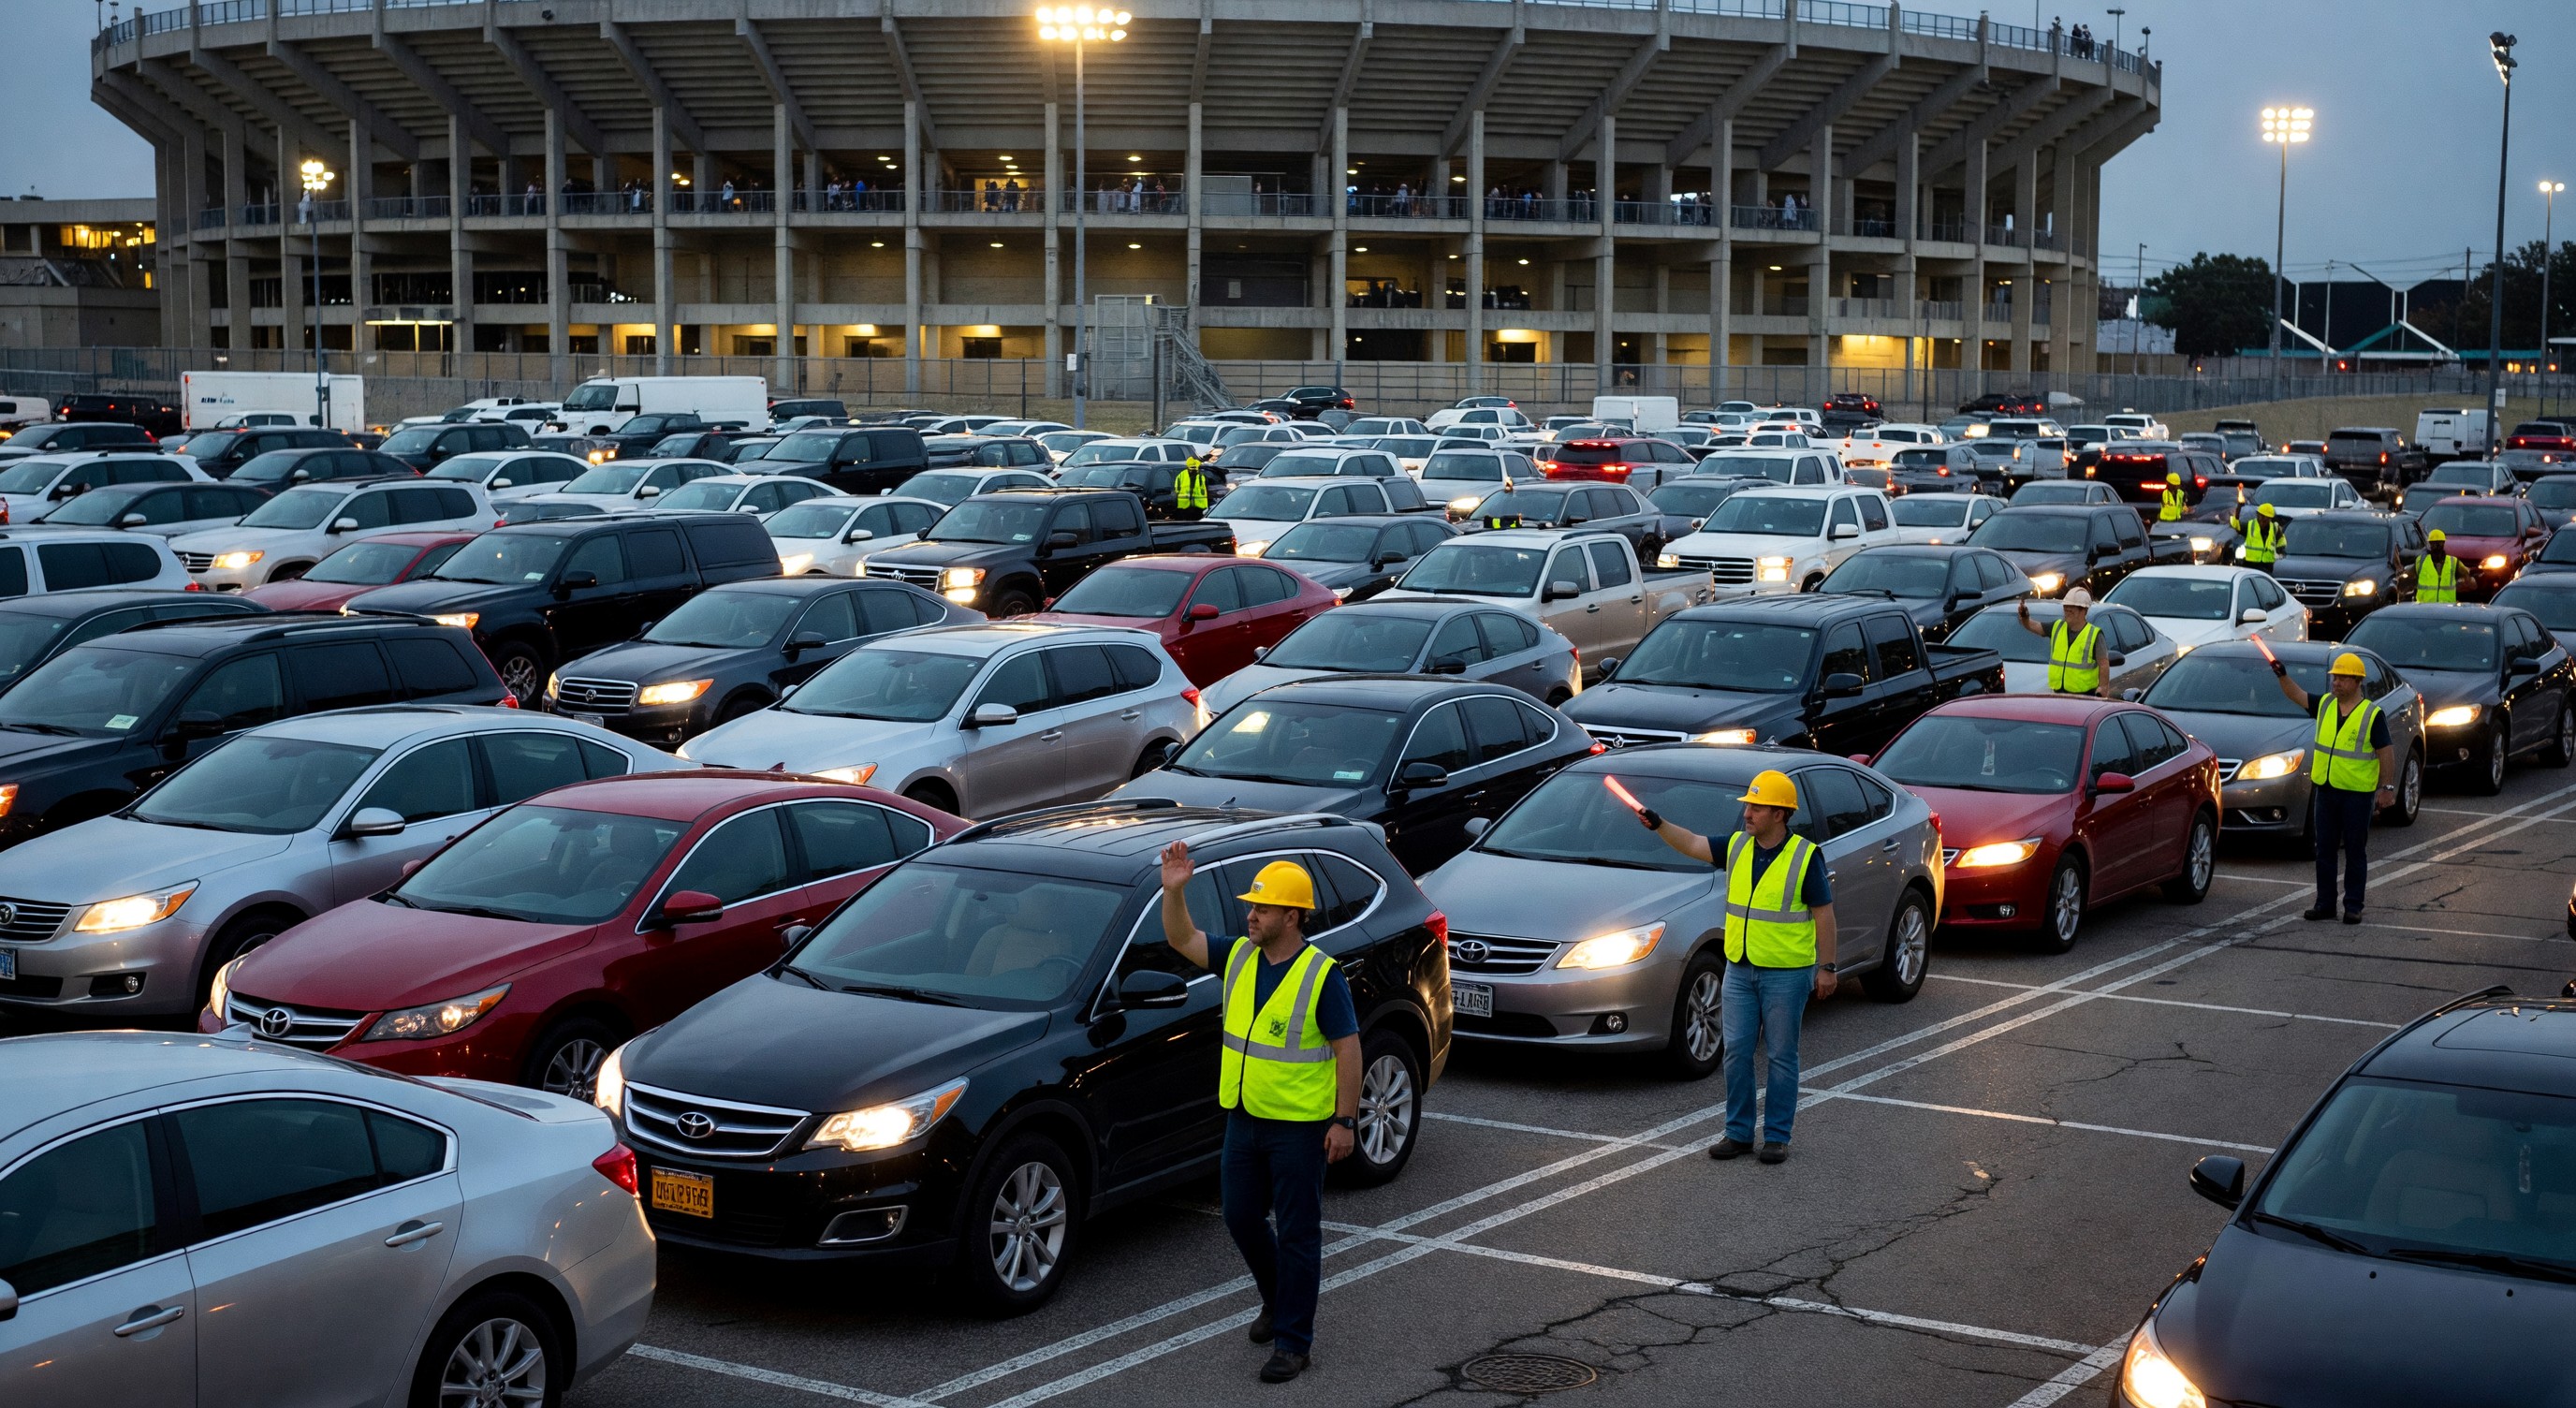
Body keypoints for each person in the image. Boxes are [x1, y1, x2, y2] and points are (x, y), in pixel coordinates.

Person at [1157, 844, 1360, 1384]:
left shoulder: (1321, 975)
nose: (1250, 914)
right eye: (1252, 906)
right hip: (1244, 1119)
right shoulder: (1241, 956)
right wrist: (1174, 890)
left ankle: (1294, 1342)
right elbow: (1181, 938)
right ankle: (1278, 1299)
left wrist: (1344, 1121)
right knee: (1239, 1216)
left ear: (1291, 917)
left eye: (1262, 908)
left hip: (1298, 1128)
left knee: (1298, 1233)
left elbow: (1348, 1049)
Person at [1636, 770, 1837, 1163]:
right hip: (1740, 969)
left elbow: (1824, 915)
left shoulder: (1804, 856)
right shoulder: (1737, 847)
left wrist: (1827, 967)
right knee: (1737, 1052)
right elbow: (1693, 843)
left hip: (1787, 973)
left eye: (1755, 806)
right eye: (1747, 804)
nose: (1746, 812)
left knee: (1781, 1055)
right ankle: (1739, 1133)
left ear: (1779, 814)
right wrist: (1659, 825)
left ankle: (1777, 1136)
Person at [2270, 651, 2396, 923]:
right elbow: (2297, 695)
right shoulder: (2326, 705)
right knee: (2325, 850)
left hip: (2357, 795)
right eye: (2334, 678)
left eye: (2341, 678)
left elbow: (2386, 751)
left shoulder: (2371, 714)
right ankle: (2325, 903)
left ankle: (2353, 906)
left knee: (2354, 850)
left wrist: (2386, 788)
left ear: (2357, 681)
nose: (2335, 682)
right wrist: (2282, 675)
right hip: (2326, 790)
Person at [2017, 588, 2107, 696]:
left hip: (2085, 698)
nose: (2067, 610)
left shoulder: (2095, 635)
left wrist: (2103, 688)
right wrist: (2024, 617)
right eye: (2066, 607)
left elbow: (2103, 664)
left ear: (2084, 610)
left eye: (2071, 608)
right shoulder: (2057, 627)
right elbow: (2033, 626)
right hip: (2059, 696)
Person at [2234, 500, 2283, 571]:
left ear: (2270, 518)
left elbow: (2282, 541)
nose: (2261, 519)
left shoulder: (2275, 528)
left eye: (2264, 518)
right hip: (2251, 565)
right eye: (2259, 516)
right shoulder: (2250, 526)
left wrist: (2279, 552)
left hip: (2267, 567)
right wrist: (2238, 509)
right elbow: (2236, 526)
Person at [2418, 529, 2459, 602]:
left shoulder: (2453, 561)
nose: (2437, 546)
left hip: (2444, 608)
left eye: (2439, 543)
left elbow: (2467, 578)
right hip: (2426, 608)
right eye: (2434, 544)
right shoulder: (2420, 561)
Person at [1174, 455, 1211, 521]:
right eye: (1191, 468)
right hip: (1185, 507)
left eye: (1194, 468)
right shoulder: (1181, 475)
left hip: (1198, 507)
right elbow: (1177, 489)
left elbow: (1206, 490)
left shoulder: (1201, 476)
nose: (1193, 470)